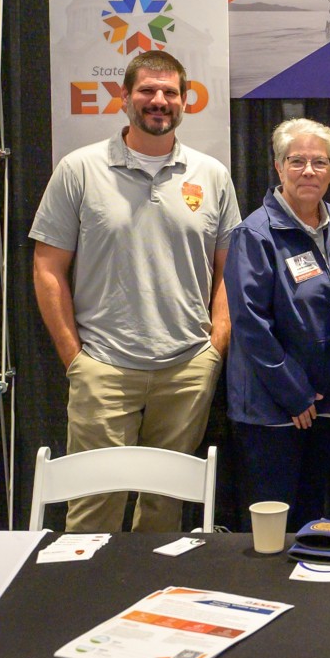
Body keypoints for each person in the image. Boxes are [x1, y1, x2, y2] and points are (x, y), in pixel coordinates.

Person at [29, 49, 240, 533]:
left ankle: (153, 584)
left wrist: (215, 345)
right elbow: (47, 267)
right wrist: (75, 359)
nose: (158, 100)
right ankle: (86, 585)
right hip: (103, 367)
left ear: (185, 100)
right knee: (92, 511)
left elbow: (229, 269)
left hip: (187, 369)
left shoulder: (211, 175)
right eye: (147, 90)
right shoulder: (79, 169)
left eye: (170, 92)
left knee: (165, 512)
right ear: (124, 97)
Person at [225, 118, 330, 531]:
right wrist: (294, 394)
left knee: (314, 521)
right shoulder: (254, 234)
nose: (308, 171)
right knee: (271, 528)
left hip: (325, 405)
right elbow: (250, 325)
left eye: (320, 162)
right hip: (273, 409)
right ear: (279, 167)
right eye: (297, 161)